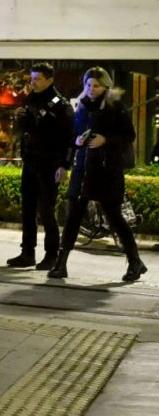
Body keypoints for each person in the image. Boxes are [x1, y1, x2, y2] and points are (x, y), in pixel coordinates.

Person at [49, 67, 146, 282]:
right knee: (72, 217)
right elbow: (73, 136)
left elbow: (129, 135)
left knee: (115, 218)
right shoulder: (82, 107)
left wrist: (106, 140)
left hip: (107, 171)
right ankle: (60, 264)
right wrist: (77, 142)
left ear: (106, 86)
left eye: (97, 85)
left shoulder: (115, 107)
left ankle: (134, 261)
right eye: (88, 85)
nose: (92, 89)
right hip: (82, 170)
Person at [7, 63, 74, 270]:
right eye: (32, 78)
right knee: (27, 209)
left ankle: (52, 254)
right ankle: (27, 252)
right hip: (31, 161)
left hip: (50, 162)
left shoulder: (59, 104)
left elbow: (67, 138)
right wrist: (20, 120)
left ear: (49, 80)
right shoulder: (30, 99)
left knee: (46, 210)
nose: (33, 82)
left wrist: (64, 165)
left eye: (37, 79)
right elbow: (26, 130)